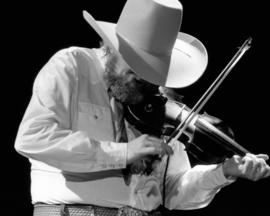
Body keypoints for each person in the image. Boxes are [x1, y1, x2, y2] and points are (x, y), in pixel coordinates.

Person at [14, 0, 270, 215]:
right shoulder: (72, 66)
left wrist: (222, 173)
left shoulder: (158, 105)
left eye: (153, 72)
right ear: (112, 48)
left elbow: (174, 191)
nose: (148, 83)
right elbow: (32, 138)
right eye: (138, 69)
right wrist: (122, 152)